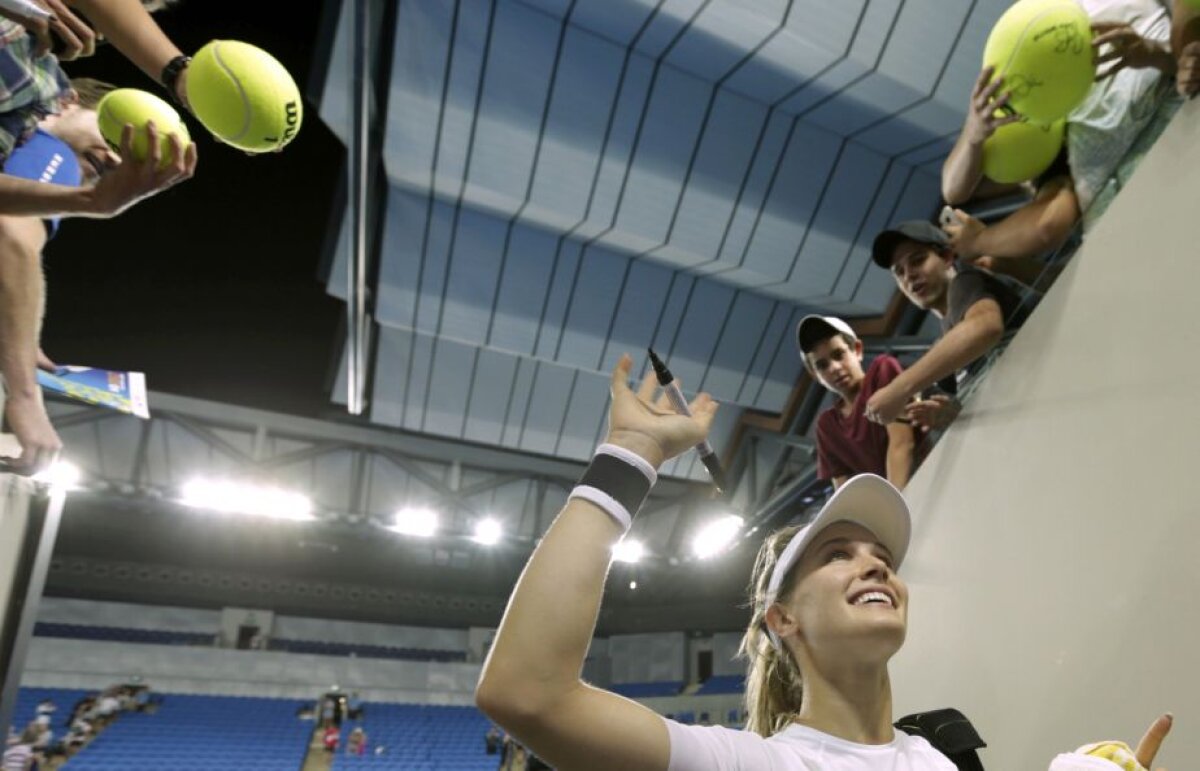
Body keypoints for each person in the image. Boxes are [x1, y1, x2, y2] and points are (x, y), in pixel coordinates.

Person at [475, 354, 1171, 770]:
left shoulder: (934, 758)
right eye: (839, 555)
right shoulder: (753, 761)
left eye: (881, 555)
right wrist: (631, 456)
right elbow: (526, 691)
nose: (874, 566)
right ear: (783, 617)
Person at [0, 76, 193, 474]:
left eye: (131, 162)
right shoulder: (55, 151)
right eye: (115, 138)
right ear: (67, 102)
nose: (116, 162)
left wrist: (17, 332)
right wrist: (24, 395)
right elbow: (11, 238)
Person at [940, 0, 1182, 275]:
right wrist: (972, 135)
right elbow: (953, 189)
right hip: (1125, 232)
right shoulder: (1028, 43)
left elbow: (1189, 57)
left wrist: (1152, 53)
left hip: (1179, 138)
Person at [863, 221, 1026, 430]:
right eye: (899, 272)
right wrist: (951, 416)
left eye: (918, 260)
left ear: (947, 257)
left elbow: (985, 327)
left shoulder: (964, 283)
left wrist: (898, 389)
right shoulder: (946, 347)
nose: (909, 275)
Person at [795, 315, 922, 490]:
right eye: (822, 365)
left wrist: (892, 508)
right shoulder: (827, 426)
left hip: (927, 478)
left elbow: (902, 443)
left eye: (839, 355)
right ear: (814, 375)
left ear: (857, 350)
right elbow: (843, 489)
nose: (835, 368)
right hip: (895, 503)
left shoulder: (882, 369)